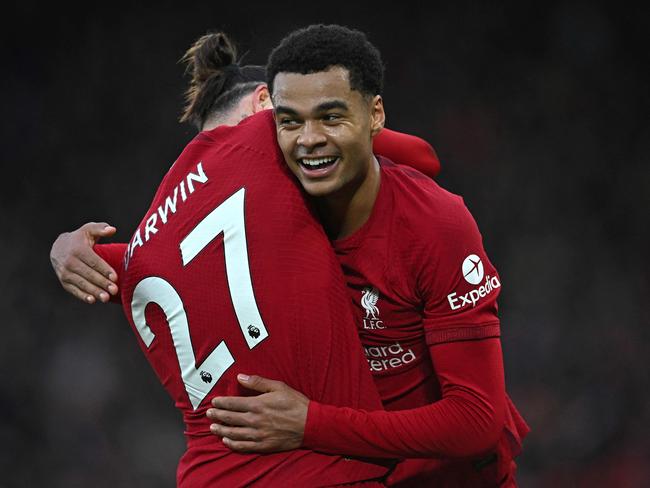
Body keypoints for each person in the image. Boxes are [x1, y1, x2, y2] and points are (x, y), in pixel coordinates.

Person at [51, 31, 405, 487]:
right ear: (266, 104)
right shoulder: (262, 139)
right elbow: (416, 156)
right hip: (316, 471)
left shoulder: (146, 243)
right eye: (292, 116)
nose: (305, 134)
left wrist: (61, 246)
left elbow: (96, 260)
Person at [201, 24, 530, 487]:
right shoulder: (267, 209)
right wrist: (80, 250)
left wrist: (309, 424)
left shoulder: (433, 226)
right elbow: (179, 264)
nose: (308, 139)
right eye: (290, 121)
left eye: (330, 117)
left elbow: (475, 420)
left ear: (375, 114)